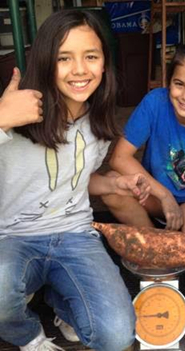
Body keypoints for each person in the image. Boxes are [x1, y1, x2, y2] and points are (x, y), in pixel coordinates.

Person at [0, 9, 151, 351]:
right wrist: (1, 117)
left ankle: (59, 298)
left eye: (91, 56)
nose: (80, 70)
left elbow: (80, 180)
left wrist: (113, 185)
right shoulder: (15, 113)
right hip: (12, 238)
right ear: (44, 62)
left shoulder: (96, 120)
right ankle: (27, 334)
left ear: (104, 64)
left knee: (115, 336)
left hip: (75, 236)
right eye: (64, 58)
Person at [102, 44, 185, 278]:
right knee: (112, 184)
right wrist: (164, 196)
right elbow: (118, 158)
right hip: (154, 196)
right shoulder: (155, 102)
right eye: (179, 84)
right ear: (168, 83)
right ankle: (155, 246)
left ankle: (175, 242)